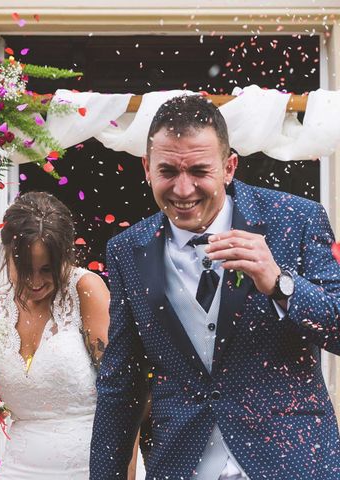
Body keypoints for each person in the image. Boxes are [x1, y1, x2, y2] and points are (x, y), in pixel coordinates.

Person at [90, 94, 340, 479]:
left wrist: (280, 283)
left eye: (199, 171)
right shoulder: (126, 250)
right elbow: (121, 382)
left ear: (229, 167)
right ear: (147, 167)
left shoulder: (297, 218)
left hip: (289, 462)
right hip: (181, 462)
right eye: (168, 171)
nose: (183, 189)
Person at [0, 191, 138, 480]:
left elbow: (125, 399)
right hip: (18, 468)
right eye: (25, 269)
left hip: (89, 468)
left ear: (64, 256)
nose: (36, 282)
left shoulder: (85, 291)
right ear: (7, 255)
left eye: (46, 269)